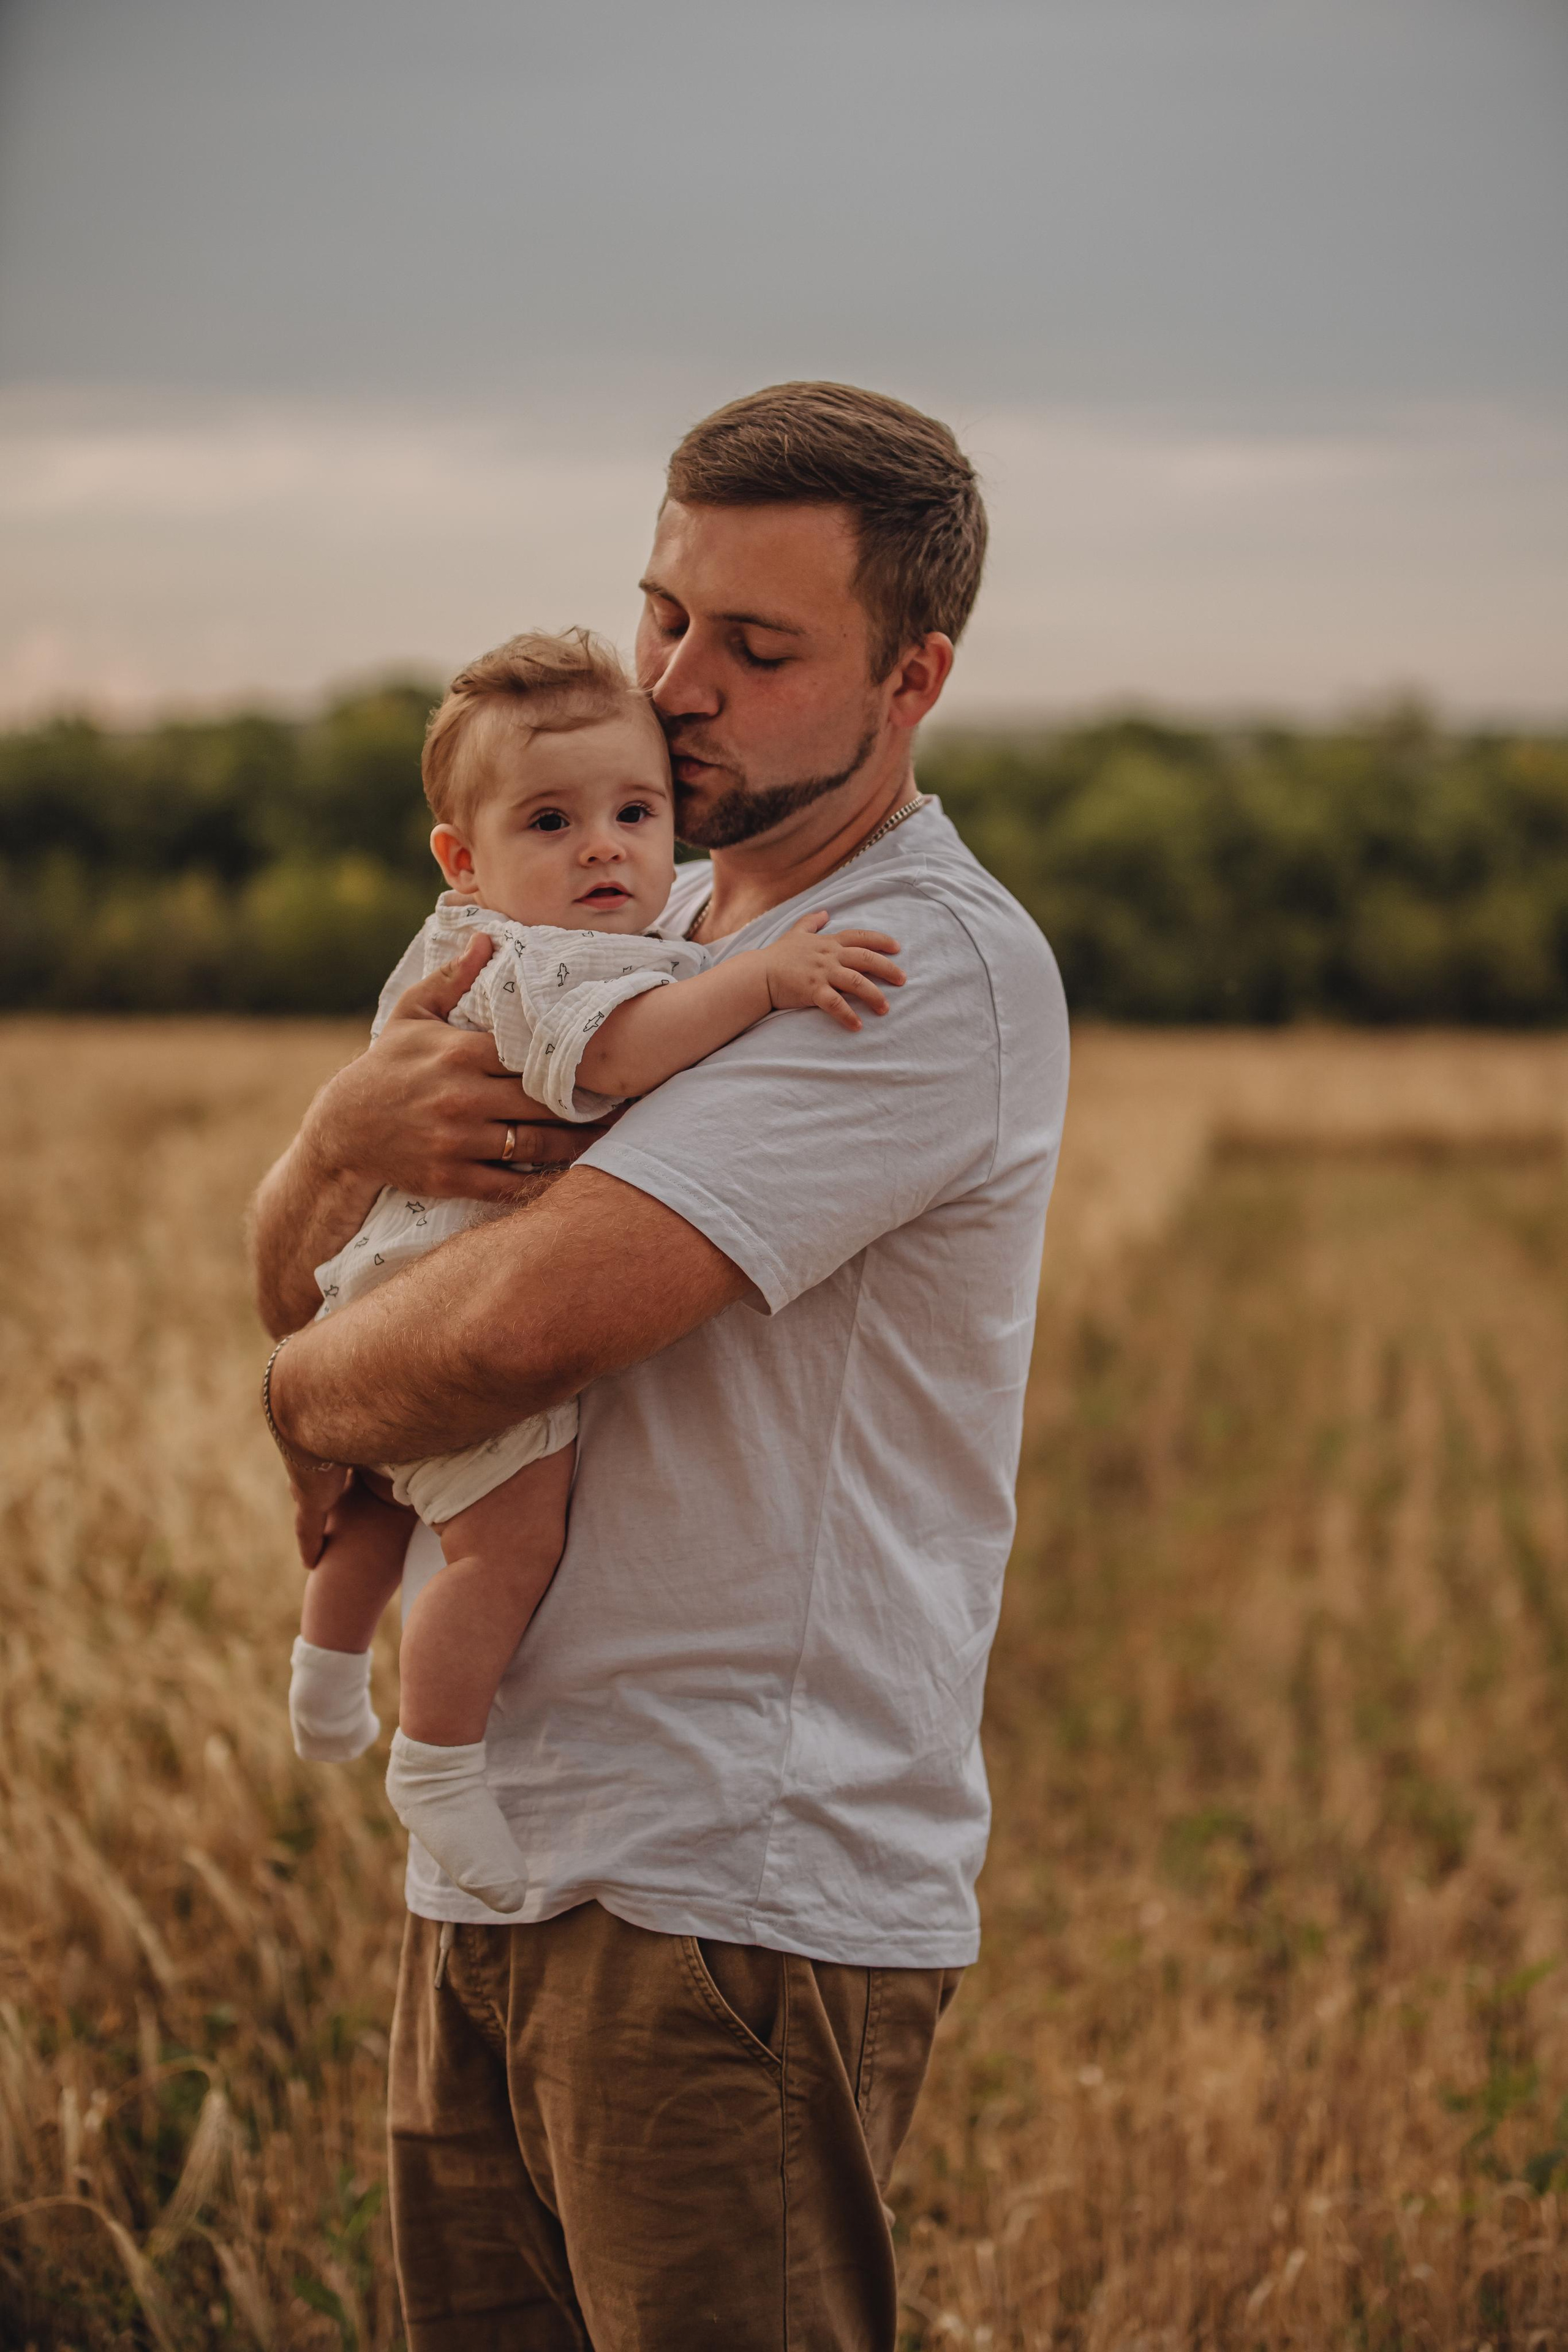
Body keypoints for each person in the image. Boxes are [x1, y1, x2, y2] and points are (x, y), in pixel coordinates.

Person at [252, 381, 1070, 2352]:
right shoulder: (632, 906)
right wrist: (339, 1145)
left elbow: (512, 1331)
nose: (677, 687)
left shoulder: (910, 968)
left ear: (913, 678)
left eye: (757, 646)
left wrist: (301, 1405)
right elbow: (316, 1261)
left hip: (730, 1894)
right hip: (505, 1857)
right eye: (665, 616)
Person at [283, 623, 905, 1917]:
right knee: (501, 1550)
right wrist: (761, 979)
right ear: (466, 861)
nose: (606, 849)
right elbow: (618, 1058)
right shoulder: (555, 957)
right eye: (553, 824)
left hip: (387, 1282)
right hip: (451, 1292)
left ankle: (328, 1667)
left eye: (635, 811)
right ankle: (437, 1755)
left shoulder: (493, 931)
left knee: (389, 1497)